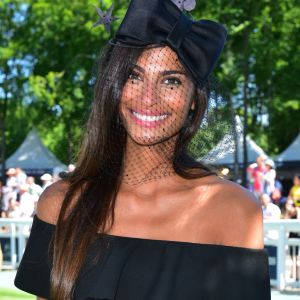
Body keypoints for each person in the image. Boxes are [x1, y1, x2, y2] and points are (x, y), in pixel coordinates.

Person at [15, 1, 271, 299]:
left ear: (193, 99)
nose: (148, 98)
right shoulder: (61, 204)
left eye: (171, 81)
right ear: (114, 86)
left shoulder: (233, 210)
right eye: (134, 76)